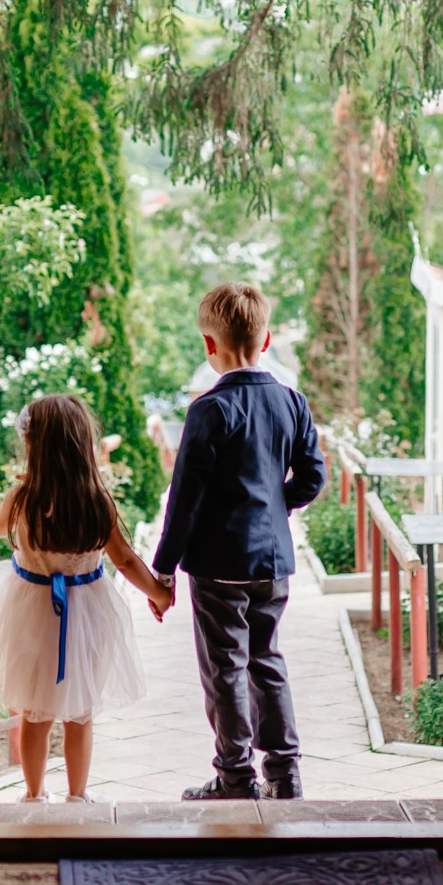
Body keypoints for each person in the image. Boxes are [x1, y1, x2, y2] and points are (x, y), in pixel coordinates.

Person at [152, 282, 327, 800]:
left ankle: (235, 777)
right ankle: (285, 773)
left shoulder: (209, 409)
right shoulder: (292, 402)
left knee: (225, 668)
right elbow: (313, 478)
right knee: (266, 660)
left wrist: (163, 570)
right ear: (266, 340)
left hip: (218, 562)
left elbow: (184, 498)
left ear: (209, 345)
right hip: (273, 560)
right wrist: (274, 506)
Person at [0, 395, 170, 802]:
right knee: (81, 713)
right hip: (87, 611)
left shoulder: (23, 498)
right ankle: (78, 794)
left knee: (34, 714)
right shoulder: (96, 499)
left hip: (31, 611)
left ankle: (34, 794)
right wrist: (158, 593)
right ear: (82, 444)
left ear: (33, 446)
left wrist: (17, 490)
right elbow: (125, 559)